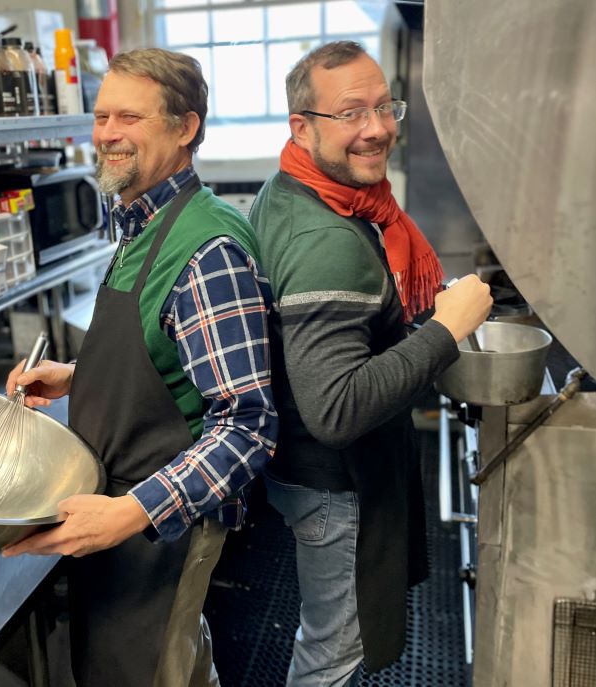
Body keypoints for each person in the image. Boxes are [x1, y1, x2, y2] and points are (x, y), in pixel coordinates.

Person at [2, 48, 277, 687]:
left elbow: (247, 427)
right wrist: (80, 373)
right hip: (114, 501)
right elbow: (168, 347)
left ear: (186, 128)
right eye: (101, 117)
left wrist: (129, 513)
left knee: (148, 670)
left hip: (160, 528)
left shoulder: (208, 250)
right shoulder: (140, 218)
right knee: (164, 662)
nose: (107, 134)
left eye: (130, 117)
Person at [248, 41, 492, 686]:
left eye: (386, 107)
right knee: (331, 653)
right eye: (351, 113)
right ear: (302, 126)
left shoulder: (289, 189)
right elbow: (337, 408)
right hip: (335, 482)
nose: (378, 128)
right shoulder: (331, 241)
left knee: (325, 630)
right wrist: (445, 329)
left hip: (292, 463)